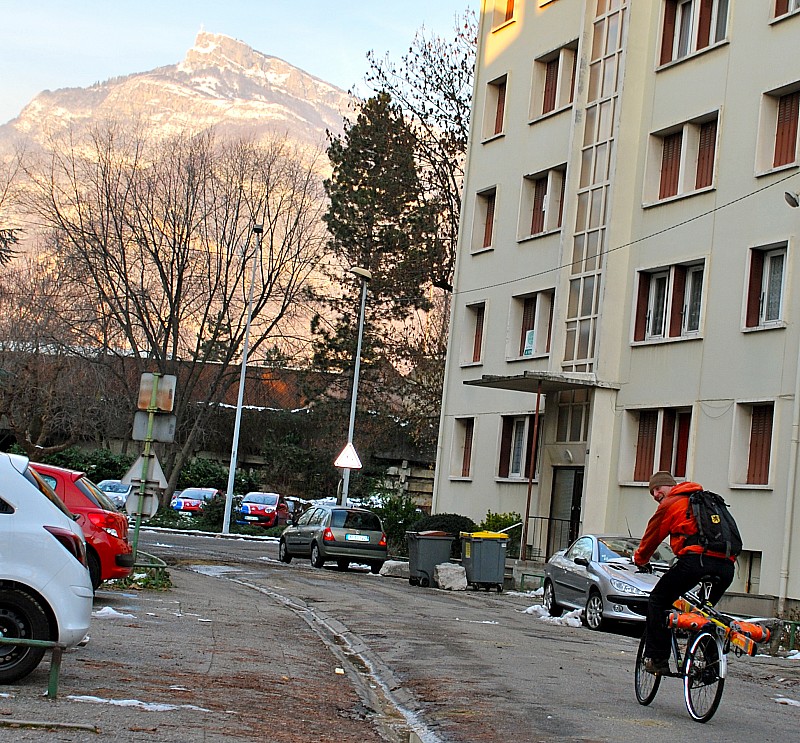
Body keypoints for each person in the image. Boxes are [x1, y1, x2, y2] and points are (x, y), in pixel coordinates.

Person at [633, 471, 736, 675]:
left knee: (657, 600)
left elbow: (651, 538)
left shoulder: (671, 504)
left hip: (695, 562)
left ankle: (658, 659)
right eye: (652, 492)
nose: (655, 494)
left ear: (670, 487)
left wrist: (640, 560)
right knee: (704, 613)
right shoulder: (708, 501)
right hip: (726, 566)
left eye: (657, 488)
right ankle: (711, 665)